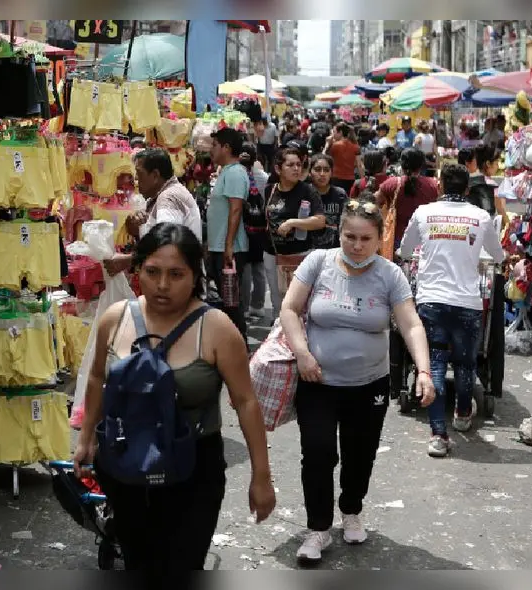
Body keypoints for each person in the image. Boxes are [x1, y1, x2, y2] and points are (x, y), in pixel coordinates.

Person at [72, 223, 276, 571]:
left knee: (183, 564)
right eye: (152, 272)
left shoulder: (216, 328)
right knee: (138, 561)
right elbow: (96, 378)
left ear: (195, 276)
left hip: (193, 472)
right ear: (138, 270)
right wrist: (86, 438)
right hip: (125, 467)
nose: (163, 284)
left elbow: (245, 401)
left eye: (176, 274)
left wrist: (261, 476)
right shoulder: (115, 319)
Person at [280, 198, 433, 565]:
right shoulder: (318, 262)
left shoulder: (390, 275)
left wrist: (424, 371)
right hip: (317, 380)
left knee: (359, 454)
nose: (357, 246)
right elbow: (289, 308)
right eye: (350, 237)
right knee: (317, 452)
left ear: (380, 239)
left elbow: (411, 323)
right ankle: (318, 528)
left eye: (366, 239)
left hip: (369, 385)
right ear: (339, 233)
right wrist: (302, 353)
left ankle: (351, 510)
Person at [398, 164, 505, 458]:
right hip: (467, 303)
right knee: (465, 364)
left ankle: (438, 436)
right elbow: (497, 255)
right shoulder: (481, 216)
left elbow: (405, 251)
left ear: (441, 186)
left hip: (431, 302)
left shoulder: (423, 212)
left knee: (433, 364)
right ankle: (462, 414)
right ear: (467, 189)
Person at [105, 148, 203, 276]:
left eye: (139, 173)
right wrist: (137, 227)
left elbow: (166, 244)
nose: (136, 179)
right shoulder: (166, 194)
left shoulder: (168, 198)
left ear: (155, 175)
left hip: (178, 281)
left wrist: (128, 260)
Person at [263, 148, 327, 319]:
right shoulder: (270, 190)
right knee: (277, 300)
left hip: (300, 255)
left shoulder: (307, 191)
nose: (296, 168)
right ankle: (278, 331)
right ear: (278, 169)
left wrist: (293, 222)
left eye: (299, 164)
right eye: (290, 165)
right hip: (273, 255)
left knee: (299, 304)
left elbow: (320, 220)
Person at [207, 128, 250, 338]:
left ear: (226, 147)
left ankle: (239, 343)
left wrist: (228, 245)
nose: (211, 149)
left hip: (229, 249)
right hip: (219, 246)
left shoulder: (235, 173)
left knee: (231, 302)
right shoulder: (226, 171)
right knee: (227, 301)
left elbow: (236, 209)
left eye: (214, 145)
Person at [373, 148, 441, 252]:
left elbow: (374, 202)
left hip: (396, 239)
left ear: (402, 164)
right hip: (424, 239)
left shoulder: (392, 184)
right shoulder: (433, 185)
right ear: (421, 165)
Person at [239, 142, 270, 320]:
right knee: (259, 267)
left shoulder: (236, 176)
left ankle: (244, 306)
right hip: (259, 228)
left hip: (242, 227)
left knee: (245, 267)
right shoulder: (264, 177)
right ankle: (258, 305)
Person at [306, 154, 348, 251]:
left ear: (331, 173)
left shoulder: (340, 194)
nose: (322, 174)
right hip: (308, 250)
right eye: (317, 169)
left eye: (326, 170)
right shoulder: (304, 193)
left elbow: (347, 222)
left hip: (334, 249)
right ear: (310, 172)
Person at [325, 123, 361, 195]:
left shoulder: (335, 146)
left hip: (336, 179)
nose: (333, 135)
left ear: (340, 132)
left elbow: (323, 157)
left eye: (334, 132)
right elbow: (359, 165)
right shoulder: (355, 146)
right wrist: (363, 180)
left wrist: (327, 143)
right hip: (350, 179)